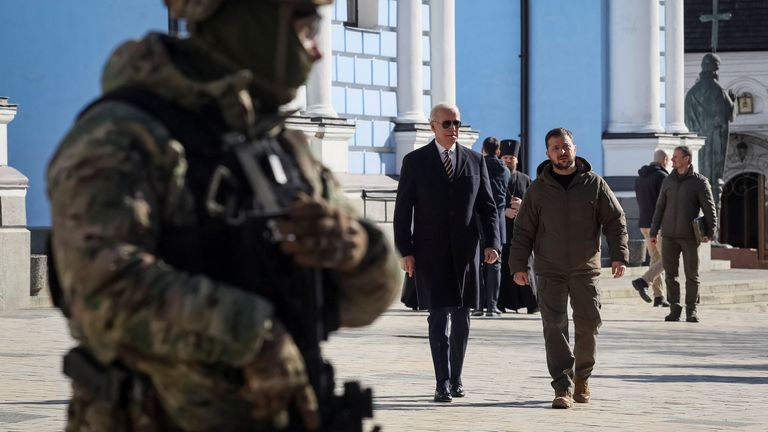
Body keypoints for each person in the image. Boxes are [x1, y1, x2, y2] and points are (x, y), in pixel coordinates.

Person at [46, 0, 401, 430]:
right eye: (305, 30)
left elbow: (369, 299)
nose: (318, 52)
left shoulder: (280, 144)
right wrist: (252, 336)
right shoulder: (124, 135)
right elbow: (100, 291)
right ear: (252, 22)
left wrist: (359, 251)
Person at [509, 127, 628, 409]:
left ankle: (583, 377)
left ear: (574, 147)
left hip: (585, 268)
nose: (562, 152)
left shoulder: (594, 184)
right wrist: (518, 265)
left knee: (589, 325)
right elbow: (523, 230)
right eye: (555, 148)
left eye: (565, 146)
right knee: (554, 327)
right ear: (548, 153)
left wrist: (620, 254)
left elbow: (615, 220)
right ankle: (562, 385)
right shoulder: (538, 189)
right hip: (549, 270)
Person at [393, 103, 500, 403]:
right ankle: (441, 381)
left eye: (457, 123)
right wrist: (405, 251)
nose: (453, 129)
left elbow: (488, 208)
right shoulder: (415, 162)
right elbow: (403, 212)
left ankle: (457, 378)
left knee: (463, 318)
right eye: (447, 124)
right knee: (438, 318)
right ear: (432, 126)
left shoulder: (475, 160)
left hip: (467, 253)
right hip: (430, 253)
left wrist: (492, 244)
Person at [649, 146, 717, 323]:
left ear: (687, 159)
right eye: (672, 158)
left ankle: (691, 310)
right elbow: (660, 207)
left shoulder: (700, 182)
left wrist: (711, 231)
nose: (672, 160)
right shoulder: (668, 181)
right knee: (671, 275)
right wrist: (654, 231)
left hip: (689, 236)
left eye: (676, 157)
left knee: (691, 275)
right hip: (669, 235)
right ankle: (674, 309)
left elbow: (709, 209)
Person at [684, 53, 736, 206]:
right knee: (713, 177)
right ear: (714, 69)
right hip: (714, 141)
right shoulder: (717, 89)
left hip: (697, 139)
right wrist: (732, 102)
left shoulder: (692, 92)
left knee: (700, 172)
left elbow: (687, 119)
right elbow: (726, 116)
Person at [496, 139, 538, 314]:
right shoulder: (496, 177)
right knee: (504, 266)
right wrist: (504, 211)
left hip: (521, 231)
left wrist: (522, 206)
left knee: (526, 264)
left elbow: (534, 203)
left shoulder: (525, 179)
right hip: (503, 229)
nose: (507, 161)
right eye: (505, 157)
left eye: (511, 158)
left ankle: (532, 303)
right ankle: (502, 303)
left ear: (516, 160)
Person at [472, 137, 510, 317]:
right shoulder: (505, 170)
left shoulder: (477, 165)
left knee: (478, 263)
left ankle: (478, 305)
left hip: (478, 219)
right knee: (495, 264)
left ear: (483, 150)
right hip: (499, 221)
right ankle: (492, 306)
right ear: (499, 151)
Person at [632, 149, 671, 307]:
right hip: (659, 225)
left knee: (655, 259)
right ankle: (644, 281)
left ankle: (658, 296)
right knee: (668, 259)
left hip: (644, 224)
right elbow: (667, 202)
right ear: (665, 160)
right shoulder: (663, 177)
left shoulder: (640, 178)